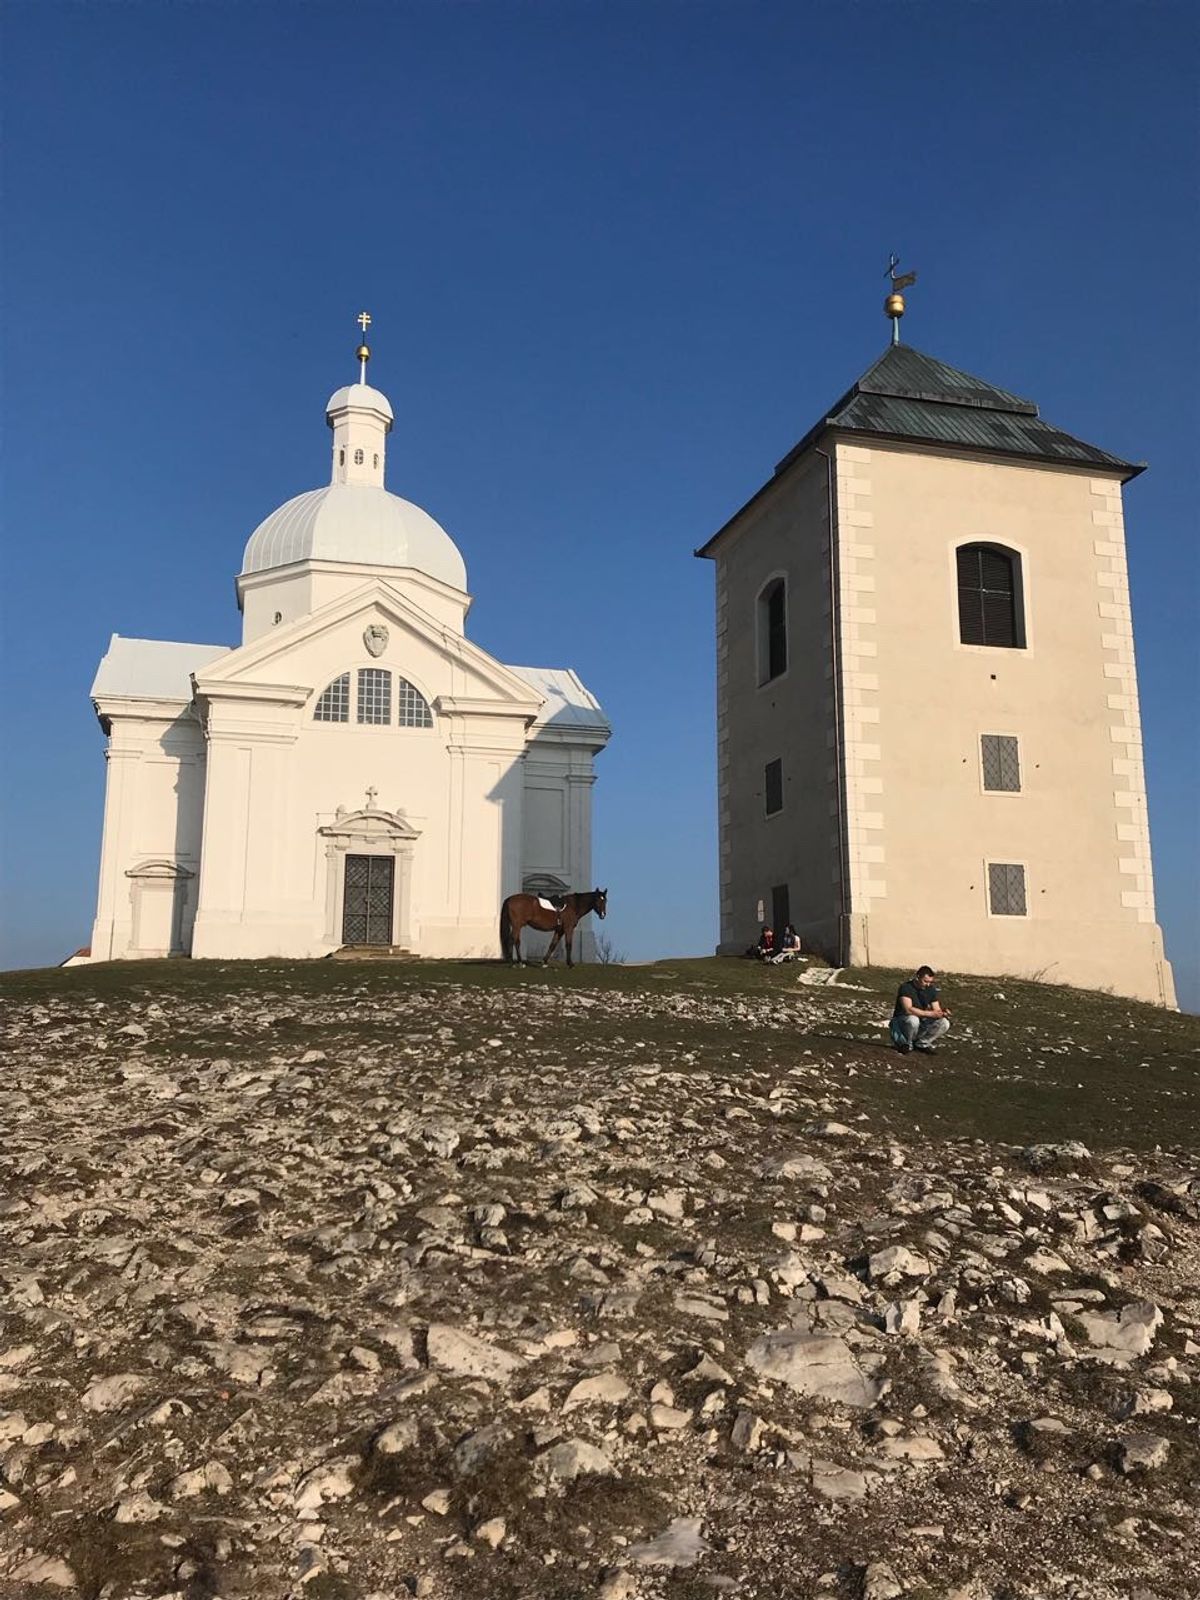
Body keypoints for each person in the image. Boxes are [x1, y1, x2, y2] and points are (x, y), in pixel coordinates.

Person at [890, 965, 951, 1054]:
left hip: (921, 1021)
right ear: (918, 977)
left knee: (944, 1023)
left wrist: (942, 1013)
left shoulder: (930, 989)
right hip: (903, 1020)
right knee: (913, 1020)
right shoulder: (906, 988)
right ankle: (906, 1043)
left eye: (930, 982)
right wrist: (930, 1014)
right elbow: (908, 1009)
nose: (928, 984)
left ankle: (922, 1043)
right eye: (925, 981)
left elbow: (936, 1009)